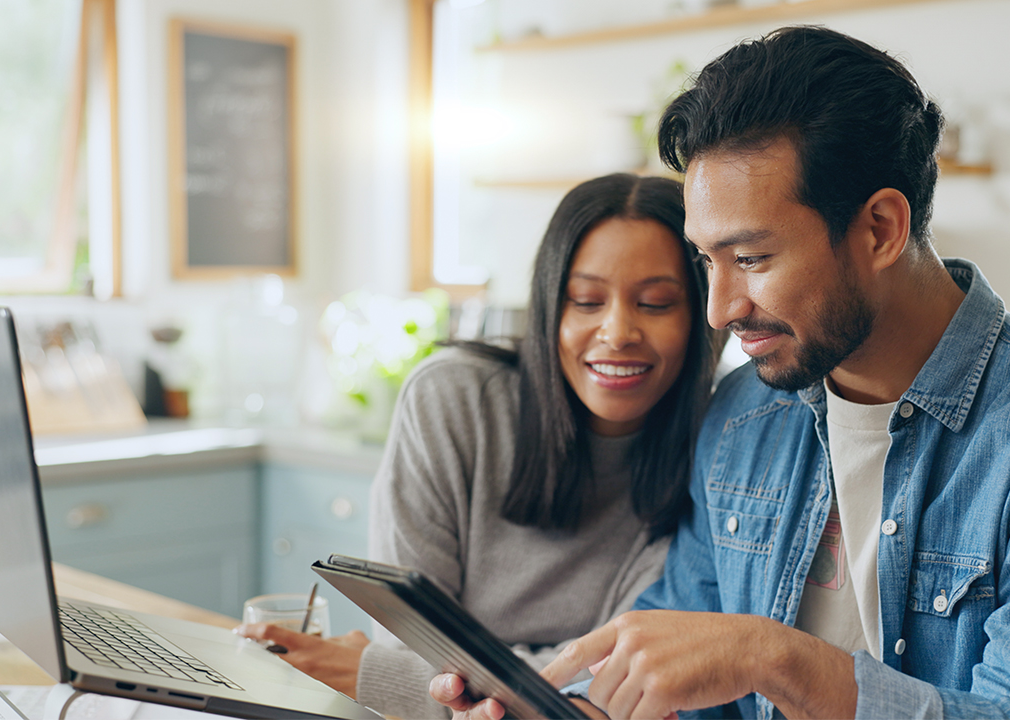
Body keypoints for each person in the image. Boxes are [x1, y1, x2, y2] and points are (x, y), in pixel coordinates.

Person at [431, 26, 1010, 719]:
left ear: (881, 229)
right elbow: (674, 666)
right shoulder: (743, 416)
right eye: (708, 260)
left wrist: (776, 658)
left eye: (753, 259)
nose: (719, 310)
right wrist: (554, 707)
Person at [239, 173, 724, 719]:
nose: (616, 332)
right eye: (586, 301)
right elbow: (411, 638)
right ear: (548, 310)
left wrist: (370, 673)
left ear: (700, 316)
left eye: (656, 304)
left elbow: (618, 684)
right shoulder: (452, 400)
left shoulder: (718, 444)